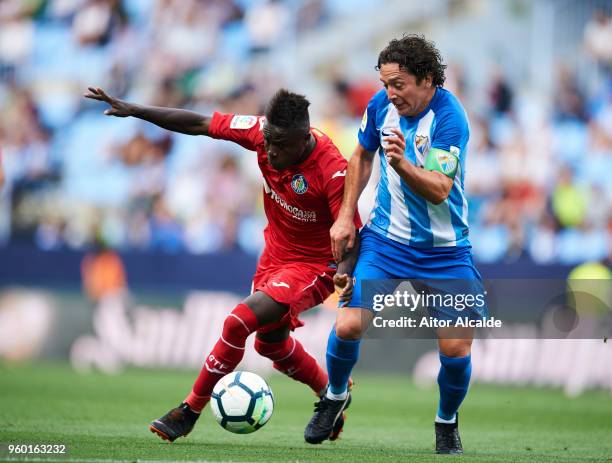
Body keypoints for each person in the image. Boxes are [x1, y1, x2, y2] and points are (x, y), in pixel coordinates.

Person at [84, 87, 361, 442]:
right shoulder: (262, 132)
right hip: (275, 255)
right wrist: (136, 109)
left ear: (303, 138)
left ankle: (188, 410)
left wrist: (343, 273)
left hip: (314, 265)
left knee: (237, 321)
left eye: (280, 145)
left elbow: (350, 231)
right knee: (270, 346)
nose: (270, 150)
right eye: (268, 141)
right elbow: (200, 123)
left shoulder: (333, 171)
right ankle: (331, 393)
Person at [304, 35, 486, 454]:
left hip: (445, 251)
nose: (391, 93)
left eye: (399, 84)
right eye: (386, 83)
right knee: (347, 323)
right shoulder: (380, 107)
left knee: (456, 348)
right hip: (387, 242)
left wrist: (403, 164)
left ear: (426, 80)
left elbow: (440, 189)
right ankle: (334, 396)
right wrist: (346, 215)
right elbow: (361, 156)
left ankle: (446, 422)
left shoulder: (450, 117)